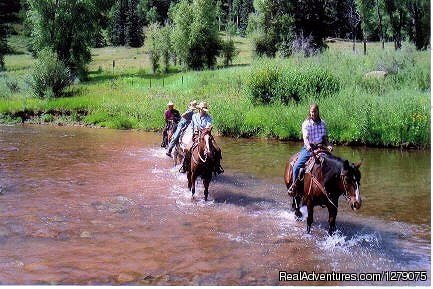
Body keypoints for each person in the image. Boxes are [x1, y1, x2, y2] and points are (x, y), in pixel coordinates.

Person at [288, 103, 333, 195]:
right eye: (312, 112)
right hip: (309, 148)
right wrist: (308, 146)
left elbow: (325, 139)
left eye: (315, 112)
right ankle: (294, 186)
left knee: (332, 165)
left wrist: (328, 145)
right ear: (309, 112)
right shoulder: (306, 123)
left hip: (321, 148)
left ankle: (331, 188)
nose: (313, 114)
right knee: (296, 166)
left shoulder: (323, 123)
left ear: (318, 112)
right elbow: (305, 138)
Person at [180, 102, 224, 175]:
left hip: (206, 135)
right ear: (200, 109)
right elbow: (195, 126)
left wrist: (205, 131)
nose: (204, 111)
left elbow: (208, 126)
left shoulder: (209, 117)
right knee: (187, 149)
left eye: (205, 109)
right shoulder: (194, 116)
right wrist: (199, 131)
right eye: (203, 109)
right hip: (196, 135)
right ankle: (185, 166)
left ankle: (217, 166)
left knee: (218, 149)